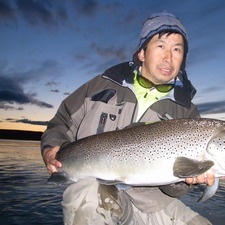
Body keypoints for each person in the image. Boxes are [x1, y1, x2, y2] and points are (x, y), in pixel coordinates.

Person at [41, 11, 215, 225]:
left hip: (154, 205)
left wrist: (188, 179)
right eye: (161, 46)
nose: (169, 57)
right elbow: (62, 121)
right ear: (142, 53)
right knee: (85, 197)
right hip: (97, 192)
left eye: (177, 49)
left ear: (183, 59)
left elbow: (175, 189)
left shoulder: (188, 114)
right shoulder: (100, 86)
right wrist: (51, 147)